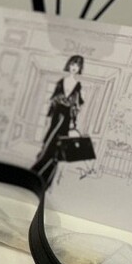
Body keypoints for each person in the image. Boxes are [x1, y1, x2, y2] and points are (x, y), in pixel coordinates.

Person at [31, 55, 84, 187]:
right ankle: (34, 174)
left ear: (80, 68)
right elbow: (53, 102)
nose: (74, 67)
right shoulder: (61, 82)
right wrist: (48, 117)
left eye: (77, 65)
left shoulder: (78, 86)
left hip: (66, 119)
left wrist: (74, 119)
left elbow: (77, 106)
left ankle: (46, 180)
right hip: (56, 116)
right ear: (68, 65)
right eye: (72, 64)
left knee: (56, 150)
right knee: (48, 144)